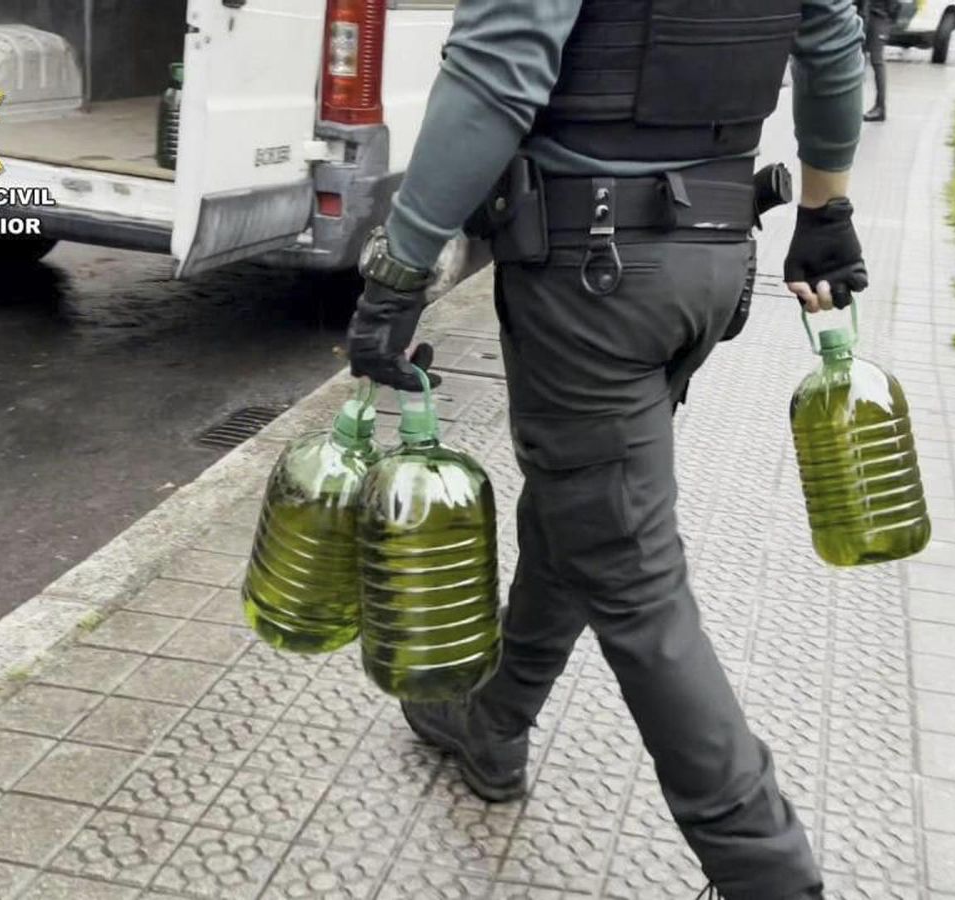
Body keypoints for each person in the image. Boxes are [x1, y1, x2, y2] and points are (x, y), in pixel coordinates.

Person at [346, 1, 868, 897]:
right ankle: (494, 724)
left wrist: (399, 270)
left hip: (594, 273)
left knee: (629, 568)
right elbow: (830, 37)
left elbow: (495, 75)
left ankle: (770, 874)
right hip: (707, 263)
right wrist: (826, 208)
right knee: (583, 502)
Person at [862, 0, 900, 121]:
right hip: (867, 15)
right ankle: (852, 104)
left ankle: (880, 107)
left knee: (877, 60)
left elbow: (895, 6)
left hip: (879, 16)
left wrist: (887, 18)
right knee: (858, 58)